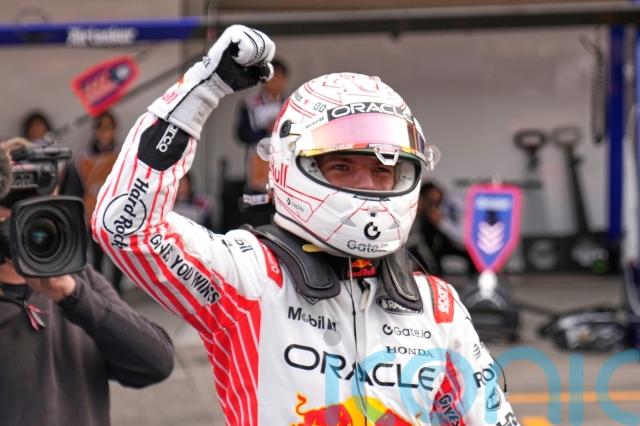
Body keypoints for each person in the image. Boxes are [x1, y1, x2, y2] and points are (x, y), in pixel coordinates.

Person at [93, 25, 517, 424]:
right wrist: (202, 90)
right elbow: (124, 226)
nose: (366, 185)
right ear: (290, 168)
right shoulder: (249, 278)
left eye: (383, 169)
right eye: (341, 166)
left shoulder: (436, 305)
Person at [0, 137, 174, 426]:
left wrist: (72, 296)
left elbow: (157, 362)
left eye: (37, 203)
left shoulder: (79, 283)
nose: (26, 220)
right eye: (11, 204)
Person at [61, 111, 123, 292]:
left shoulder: (122, 153)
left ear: (114, 130)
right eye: (100, 128)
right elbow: (75, 187)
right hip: (92, 211)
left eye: (108, 128)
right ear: (95, 130)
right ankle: (100, 292)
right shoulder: (83, 156)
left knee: (118, 256)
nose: (104, 132)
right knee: (96, 255)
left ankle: (117, 292)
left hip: (117, 210)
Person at [236, 58, 288, 194]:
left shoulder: (291, 104)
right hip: (257, 164)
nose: (276, 81)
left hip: (284, 163)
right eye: (272, 77)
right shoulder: (249, 104)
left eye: (279, 77)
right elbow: (242, 134)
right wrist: (266, 129)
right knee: (259, 201)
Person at [408, 181, 474, 276]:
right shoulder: (425, 217)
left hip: (465, 247)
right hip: (439, 251)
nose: (433, 205)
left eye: (433, 201)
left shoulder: (454, 204)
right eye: (429, 201)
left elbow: (463, 240)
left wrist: (441, 222)